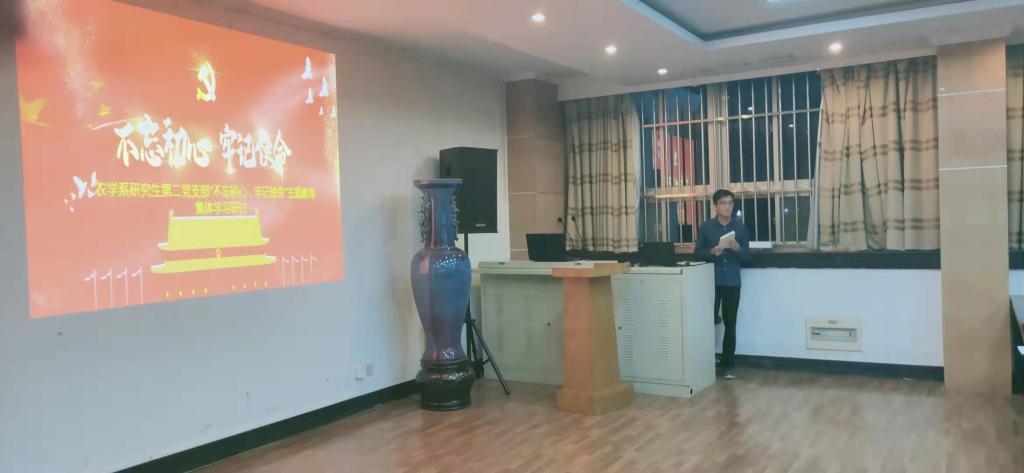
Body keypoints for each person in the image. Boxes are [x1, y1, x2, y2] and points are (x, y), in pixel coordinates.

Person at [695, 189, 751, 380]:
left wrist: (738, 248)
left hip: (732, 281)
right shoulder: (706, 228)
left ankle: (728, 365)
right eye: (723, 203)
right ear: (716, 206)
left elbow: (748, 258)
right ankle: (703, 361)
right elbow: (697, 254)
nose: (727, 207)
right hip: (710, 281)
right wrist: (712, 252)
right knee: (706, 321)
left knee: (730, 323)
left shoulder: (740, 229)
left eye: (730, 203)